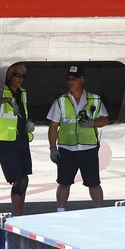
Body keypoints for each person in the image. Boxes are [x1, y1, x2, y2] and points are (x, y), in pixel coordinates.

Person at [47, 65, 109, 211]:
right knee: (63, 182)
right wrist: (52, 148)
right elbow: (53, 126)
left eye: (73, 79)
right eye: (68, 79)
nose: (70, 82)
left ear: (82, 80)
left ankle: (100, 211)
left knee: (94, 183)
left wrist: (92, 123)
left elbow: (105, 120)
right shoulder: (61, 101)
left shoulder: (94, 99)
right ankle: (60, 211)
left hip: (88, 149)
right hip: (67, 149)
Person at [0, 63, 35, 216]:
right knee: (18, 180)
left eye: (23, 77)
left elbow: (24, 111)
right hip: (6, 140)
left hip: (21, 139)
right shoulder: (1, 91)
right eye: (18, 76)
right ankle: (17, 216)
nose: (20, 80)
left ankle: (19, 215)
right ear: (9, 76)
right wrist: (7, 100)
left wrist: (28, 122)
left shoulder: (22, 93)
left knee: (24, 181)